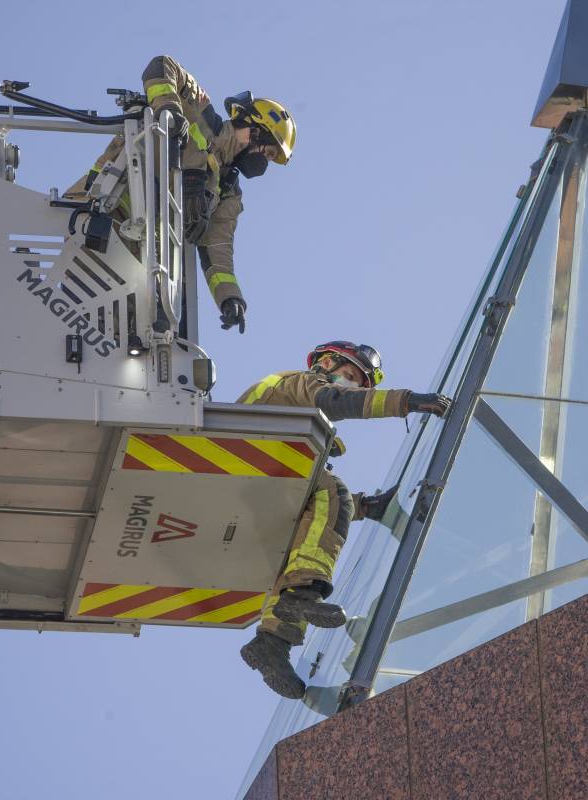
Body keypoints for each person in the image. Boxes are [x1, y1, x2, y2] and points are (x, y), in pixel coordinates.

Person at [236, 341, 452, 698]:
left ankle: (272, 644)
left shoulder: (294, 427)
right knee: (331, 489)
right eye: (349, 375)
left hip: (253, 484)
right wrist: (408, 401)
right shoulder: (295, 383)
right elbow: (337, 402)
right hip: (244, 469)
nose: (351, 385)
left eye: (357, 382)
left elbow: (309, 505)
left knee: (301, 540)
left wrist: (363, 507)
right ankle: (302, 595)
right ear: (326, 362)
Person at [70, 56, 296, 334]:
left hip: (138, 250)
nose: (264, 163)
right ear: (255, 131)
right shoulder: (202, 116)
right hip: (99, 214)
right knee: (80, 310)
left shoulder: (227, 192)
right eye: (269, 152)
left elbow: (218, 250)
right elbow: (161, 66)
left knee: (116, 332)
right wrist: (168, 108)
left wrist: (229, 296)